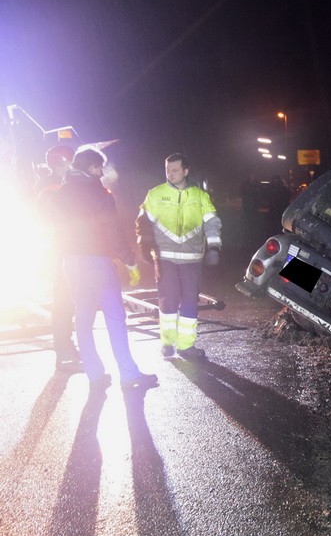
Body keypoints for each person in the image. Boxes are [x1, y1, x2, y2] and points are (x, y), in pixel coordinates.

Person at [52, 148, 157, 392]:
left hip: (71, 262)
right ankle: (129, 374)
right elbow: (112, 231)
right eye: (99, 167)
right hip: (97, 261)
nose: (102, 171)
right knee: (115, 316)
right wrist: (129, 260)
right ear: (91, 167)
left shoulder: (60, 194)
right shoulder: (98, 193)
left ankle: (95, 374)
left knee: (83, 317)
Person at [136, 153, 222, 360]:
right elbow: (143, 222)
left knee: (190, 302)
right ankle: (167, 343)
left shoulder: (200, 196)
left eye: (175, 170)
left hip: (192, 260)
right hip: (165, 259)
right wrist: (144, 245)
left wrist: (214, 248)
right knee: (168, 302)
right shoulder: (155, 194)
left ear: (186, 171)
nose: (170, 174)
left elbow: (212, 223)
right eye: (167, 170)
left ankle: (186, 346)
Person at [36, 144, 79, 370]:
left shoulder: (62, 186)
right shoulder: (51, 188)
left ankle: (67, 347)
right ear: (60, 163)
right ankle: (63, 352)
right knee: (63, 302)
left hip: (70, 251)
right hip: (60, 253)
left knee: (69, 302)